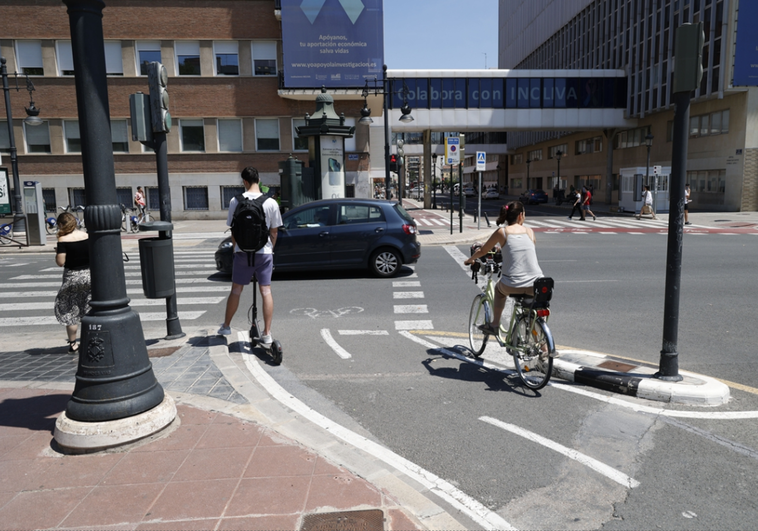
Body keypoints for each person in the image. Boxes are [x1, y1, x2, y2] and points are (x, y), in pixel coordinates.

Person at [218, 167, 283, 345]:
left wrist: (236, 250)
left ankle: (226, 325)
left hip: (242, 253)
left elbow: (233, 230)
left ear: (244, 182)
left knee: (236, 290)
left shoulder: (235, 201)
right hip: (264, 253)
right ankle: (267, 333)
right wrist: (270, 248)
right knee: (266, 291)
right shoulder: (270, 203)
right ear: (258, 179)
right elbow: (274, 231)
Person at [464, 201, 547, 340]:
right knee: (532, 311)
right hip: (536, 283)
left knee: (499, 290)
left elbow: (483, 250)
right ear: (520, 216)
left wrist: (470, 260)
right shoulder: (530, 231)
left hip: (512, 284)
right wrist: (502, 249)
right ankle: (544, 348)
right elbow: (522, 250)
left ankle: (495, 324)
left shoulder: (502, 232)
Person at [54, 212, 91, 353]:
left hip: (72, 277)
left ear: (61, 225)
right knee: (88, 308)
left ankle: (73, 344)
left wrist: (57, 252)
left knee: (70, 311)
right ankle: (90, 340)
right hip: (89, 275)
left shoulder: (63, 240)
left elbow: (60, 262)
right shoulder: (87, 235)